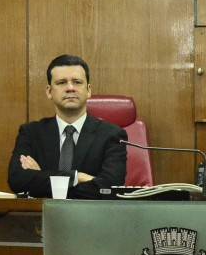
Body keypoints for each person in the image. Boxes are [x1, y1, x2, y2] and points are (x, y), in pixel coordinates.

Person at [7, 54, 127, 199]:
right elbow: (18, 180)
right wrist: (78, 177)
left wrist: (41, 178)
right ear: (49, 91)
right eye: (61, 82)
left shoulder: (112, 135)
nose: (70, 88)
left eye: (77, 82)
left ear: (88, 90)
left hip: (91, 218)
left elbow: (108, 187)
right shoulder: (31, 133)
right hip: (41, 216)